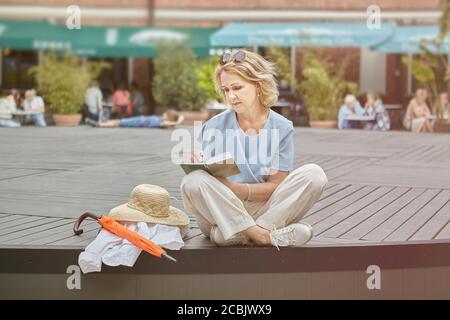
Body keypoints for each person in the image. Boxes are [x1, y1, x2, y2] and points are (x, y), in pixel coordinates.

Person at [180, 49, 328, 248]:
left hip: (263, 211)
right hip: (221, 211)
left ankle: (240, 234)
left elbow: (276, 186)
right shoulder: (213, 126)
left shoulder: (282, 127)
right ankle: (263, 236)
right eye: (226, 90)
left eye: (237, 88)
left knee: (315, 174)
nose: (231, 96)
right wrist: (198, 163)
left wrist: (237, 189)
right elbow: (206, 183)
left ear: (258, 85)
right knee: (192, 181)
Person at [99, 109, 184, 128]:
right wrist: (178, 118)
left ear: (169, 117)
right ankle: (104, 122)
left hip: (138, 122)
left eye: (166, 113)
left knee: (119, 123)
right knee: (119, 121)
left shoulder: (162, 123)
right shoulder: (161, 119)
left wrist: (177, 122)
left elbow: (172, 123)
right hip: (140, 119)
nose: (164, 113)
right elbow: (181, 116)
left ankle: (101, 124)